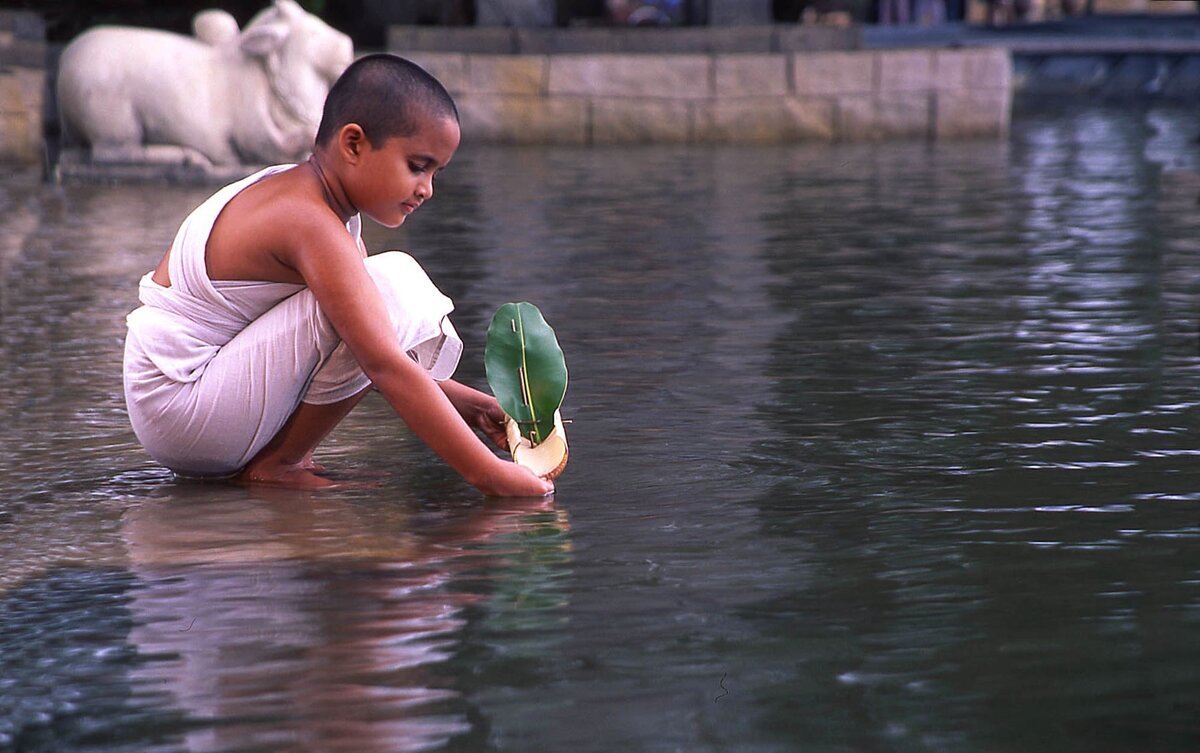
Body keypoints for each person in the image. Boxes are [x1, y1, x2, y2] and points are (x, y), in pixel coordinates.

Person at [122, 53, 554, 496]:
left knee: (375, 295)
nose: (427, 189)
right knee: (394, 286)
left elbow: (369, 347)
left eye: (435, 173)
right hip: (182, 406)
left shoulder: (324, 209)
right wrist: (491, 475)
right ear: (353, 145)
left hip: (181, 408)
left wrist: (465, 403)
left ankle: (279, 458)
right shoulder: (310, 221)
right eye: (417, 166)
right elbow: (381, 361)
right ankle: (281, 463)